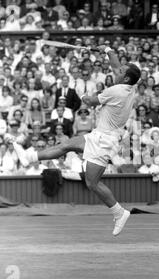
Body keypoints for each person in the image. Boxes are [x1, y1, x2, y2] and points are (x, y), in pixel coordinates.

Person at [13, 45, 141, 237]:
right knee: (66, 145)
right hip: (101, 135)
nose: (117, 69)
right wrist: (107, 49)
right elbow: (115, 65)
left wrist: (77, 91)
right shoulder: (129, 85)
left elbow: (89, 101)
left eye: (121, 70)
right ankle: (28, 157)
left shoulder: (117, 91)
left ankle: (119, 213)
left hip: (105, 140)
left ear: (126, 78)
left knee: (92, 183)